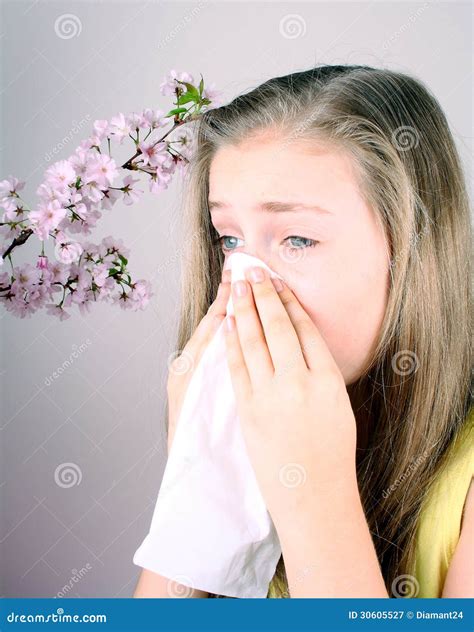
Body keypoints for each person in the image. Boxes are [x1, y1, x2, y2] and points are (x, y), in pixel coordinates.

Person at [133, 64, 473, 598]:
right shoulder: (236, 441)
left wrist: (312, 492)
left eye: (297, 239)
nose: (245, 283)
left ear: (412, 257)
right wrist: (201, 485)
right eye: (229, 240)